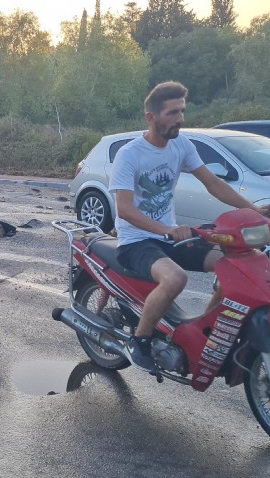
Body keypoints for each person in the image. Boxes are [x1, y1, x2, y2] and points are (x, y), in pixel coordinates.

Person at [109, 81, 269, 371]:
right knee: (175, 279)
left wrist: (255, 210)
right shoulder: (130, 154)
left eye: (182, 111)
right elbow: (124, 209)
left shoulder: (181, 145)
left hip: (170, 235)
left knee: (233, 265)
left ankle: (203, 336)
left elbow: (214, 183)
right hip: (136, 240)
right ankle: (140, 339)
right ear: (151, 117)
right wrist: (165, 230)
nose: (180, 119)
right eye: (172, 113)